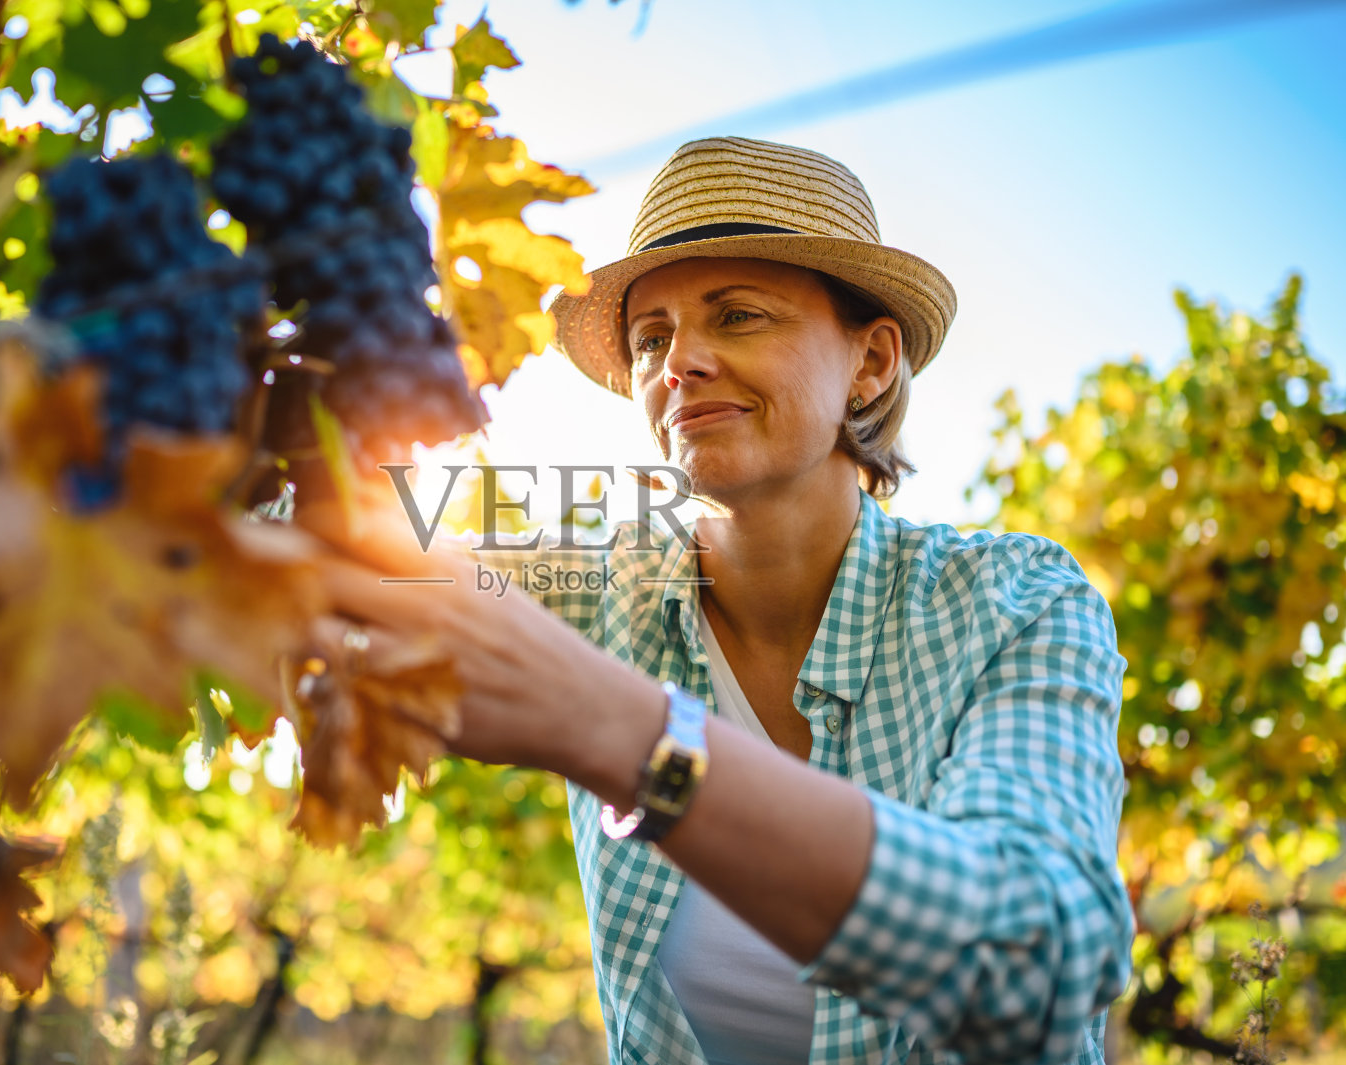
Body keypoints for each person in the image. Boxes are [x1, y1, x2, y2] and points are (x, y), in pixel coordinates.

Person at [311, 136, 1135, 1065]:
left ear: (871, 360)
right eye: (651, 338)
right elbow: (320, 559)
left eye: (738, 316)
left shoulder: (1014, 604)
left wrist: (630, 735)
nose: (680, 363)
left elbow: (1038, 964)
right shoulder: (591, 590)